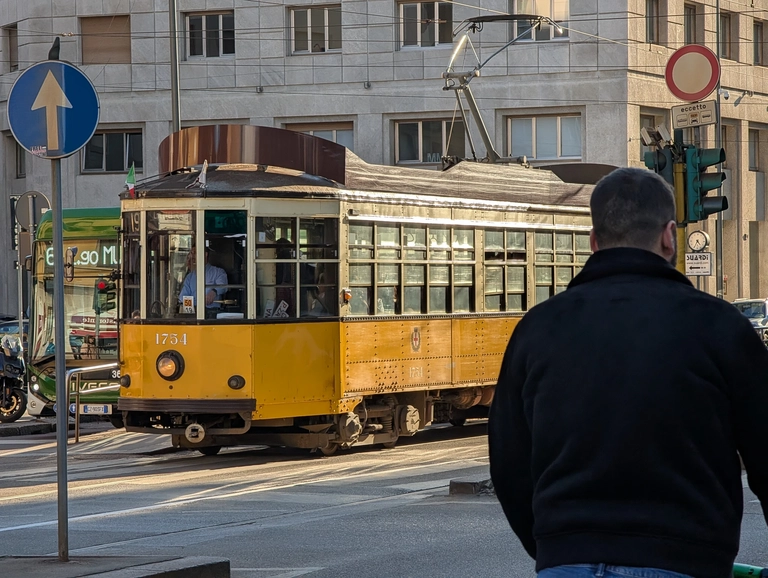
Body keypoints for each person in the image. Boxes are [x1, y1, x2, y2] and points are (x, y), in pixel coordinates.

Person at [488, 167, 768, 578]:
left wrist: (557, 546)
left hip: (566, 560)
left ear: (594, 242)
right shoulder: (720, 327)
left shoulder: (538, 329)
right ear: (669, 235)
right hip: (684, 560)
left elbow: (508, 462)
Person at [178, 246, 228, 312]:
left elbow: (223, 286)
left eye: (195, 253)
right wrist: (190, 311)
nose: (192, 256)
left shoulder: (218, 272)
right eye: (191, 253)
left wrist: (213, 292)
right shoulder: (189, 277)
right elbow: (183, 297)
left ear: (205, 254)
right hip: (194, 312)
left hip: (213, 313)